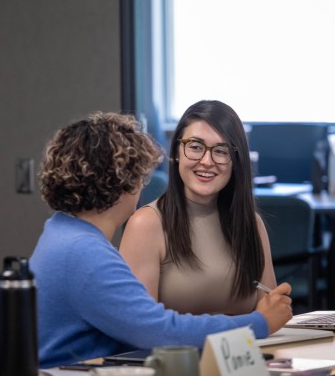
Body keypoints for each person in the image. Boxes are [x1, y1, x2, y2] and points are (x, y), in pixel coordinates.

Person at [29, 111, 292, 368]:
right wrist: (258, 323)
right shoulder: (83, 251)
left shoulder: (61, 234)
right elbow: (157, 331)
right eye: (139, 176)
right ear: (124, 183)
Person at [119, 99, 277, 316]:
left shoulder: (251, 223)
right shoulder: (146, 224)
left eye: (221, 151)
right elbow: (140, 327)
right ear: (176, 152)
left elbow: (272, 316)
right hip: (172, 351)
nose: (206, 161)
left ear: (235, 160)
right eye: (195, 147)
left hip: (245, 350)